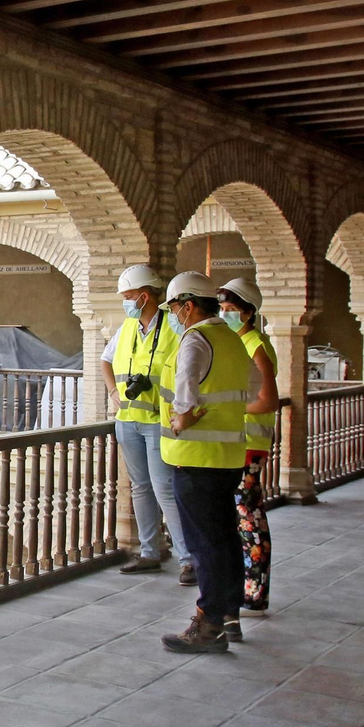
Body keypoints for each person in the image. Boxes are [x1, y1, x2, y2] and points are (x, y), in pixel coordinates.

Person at [156, 272, 259, 654]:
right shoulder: (231, 338)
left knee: (205, 546)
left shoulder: (195, 339)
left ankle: (209, 624)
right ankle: (228, 615)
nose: (173, 316)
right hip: (227, 456)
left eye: (173, 308)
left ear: (187, 306)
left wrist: (182, 417)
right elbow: (254, 387)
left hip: (196, 459)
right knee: (224, 539)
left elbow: (184, 389)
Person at [99, 264, 194, 584]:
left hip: (158, 420)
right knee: (140, 488)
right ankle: (150, 552)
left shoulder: (173, 325)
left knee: (164, 487)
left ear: (144, 296)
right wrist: (113, 392)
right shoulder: (127, 327)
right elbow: (105, 360)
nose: (125, 302)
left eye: (128, 296)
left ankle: (188, 559)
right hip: (127, 419)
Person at [218, 277, 279, 640]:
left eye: (232, 310)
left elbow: (268, 400)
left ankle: (254, 591)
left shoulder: (255, 344)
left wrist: (229, 408)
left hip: (250, 443)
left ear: (249, 313)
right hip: (238, 442)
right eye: (222, 309)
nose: (225, 315)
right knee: (243, 516)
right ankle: (247, 588)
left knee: (249, 516)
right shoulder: (237, 341)